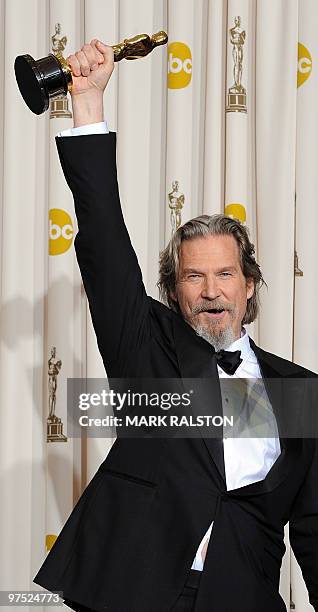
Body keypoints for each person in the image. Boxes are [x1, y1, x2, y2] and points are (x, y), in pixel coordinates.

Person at [33, 40, 318, 612]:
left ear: (250, 284)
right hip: (130, 592)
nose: (212, 291)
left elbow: (311, 528)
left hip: (241, 598)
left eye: (225, 274)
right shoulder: (148, 351)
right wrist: (87, 104)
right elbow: (107, 245)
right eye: (194, 276)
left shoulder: (300, 390)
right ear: (173, 290)